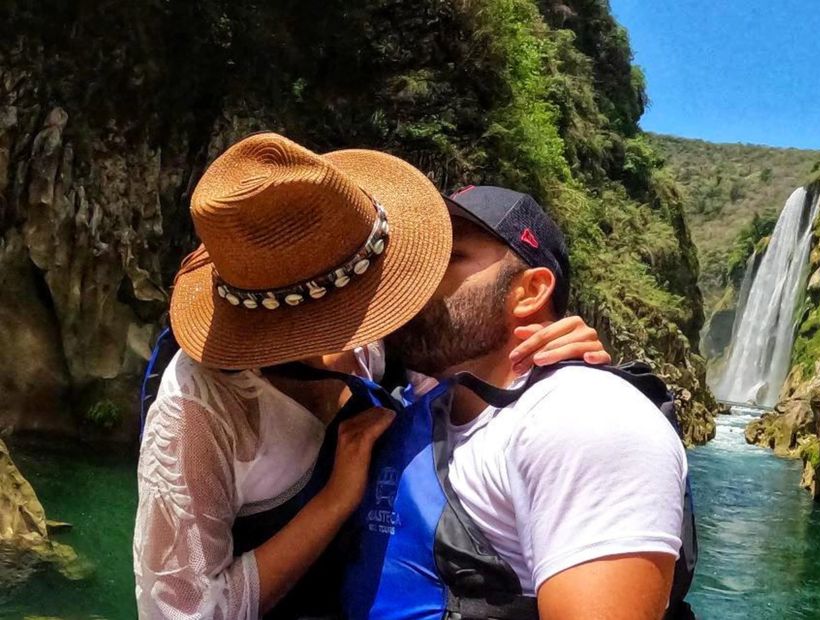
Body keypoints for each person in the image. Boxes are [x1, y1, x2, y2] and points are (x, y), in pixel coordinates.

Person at [133, 134, 610, 620]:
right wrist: (337, 500)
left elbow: (475, 379)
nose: (384, 308)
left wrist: (557, 361)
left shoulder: (388, 335)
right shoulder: (200, 406)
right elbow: (181, 611)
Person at [341, 186, 691, 620]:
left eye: (450, 258)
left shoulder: (583, 418)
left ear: (530, 292)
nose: (417, 280)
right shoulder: (421, 402)